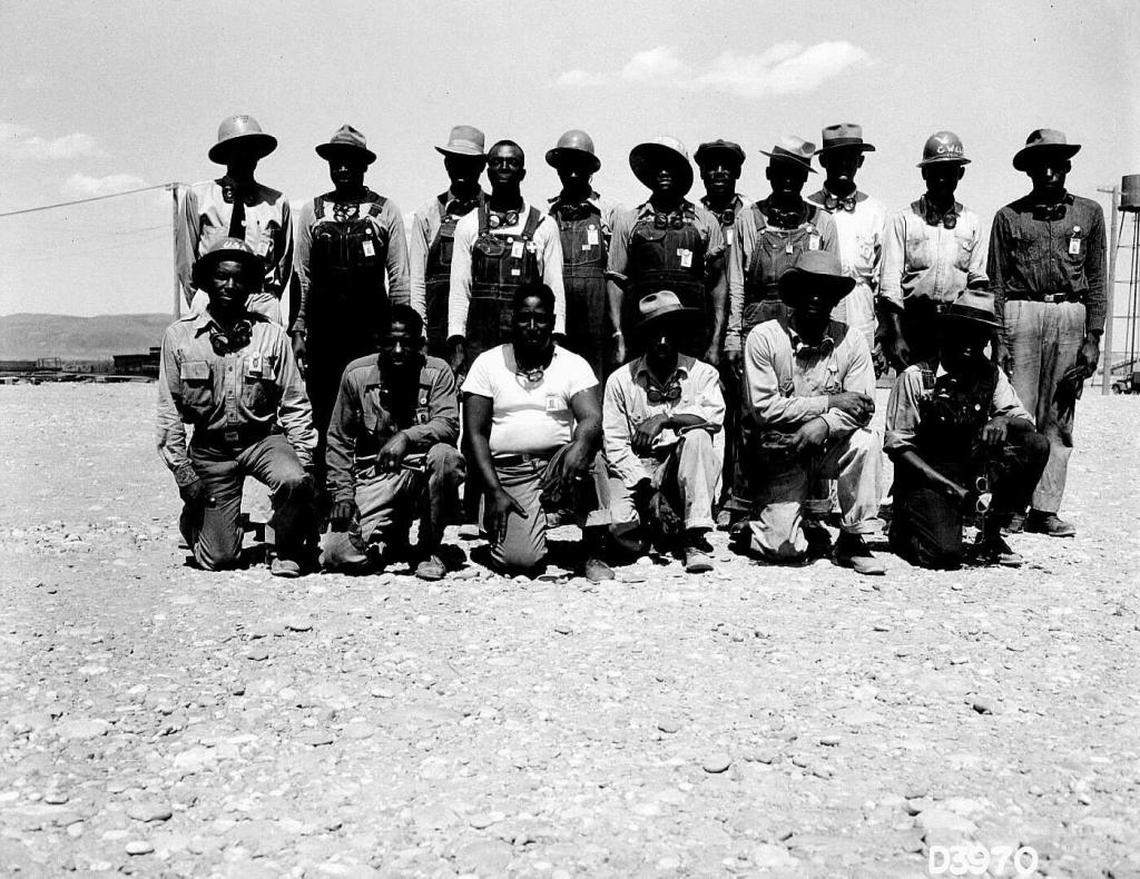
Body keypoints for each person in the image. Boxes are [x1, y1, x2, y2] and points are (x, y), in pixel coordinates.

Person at [157, 238, 315, 576]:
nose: (230, 286)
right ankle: (198, 517)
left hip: (261, 441)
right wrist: (185, 475)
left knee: (293, 480)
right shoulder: (179, 337)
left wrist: (304, 465)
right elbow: (168, 412)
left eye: (239, 278)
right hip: (211, 450)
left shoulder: (272, 336)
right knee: (220, 559)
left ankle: (284, 545)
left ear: (251, 285)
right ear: (206, 281)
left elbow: (294, 403)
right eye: (221, 277)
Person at [987, 129, 1106, 537]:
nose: (1049, 171)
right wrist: (999, 338)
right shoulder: (1009, 217)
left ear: (1068, 166)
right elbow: (997, 282)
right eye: (1041, 164)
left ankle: (1046, 508)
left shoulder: (1089, 215)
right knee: (1017, 415)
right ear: (1030, 171)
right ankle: (1010, 506)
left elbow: (1097, 278)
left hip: (1070, 314)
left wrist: (1094, 337)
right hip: (1022, 312)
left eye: (1057, 162)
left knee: (1060, 416)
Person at [739, 250, 884, 575]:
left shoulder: (853, 341)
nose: (816, 297)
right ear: (794, 293)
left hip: (831, 444)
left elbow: (863, 407)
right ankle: (770, 522)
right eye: (809, 288)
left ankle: (853, 538)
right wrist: (829, 405)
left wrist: (823, 425)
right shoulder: (764, 338)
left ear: (835, 298)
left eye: (826, 290)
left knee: (865, 441)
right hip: (783, 448)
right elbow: (764, 408)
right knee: (782, 550)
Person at [885, 290, 1049, 568]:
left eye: (980, 335)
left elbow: (1026, 423)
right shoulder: (917, 377)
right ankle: (904, 528)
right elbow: (898, 448)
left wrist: (1003, 420)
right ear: (947, 332)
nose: (971, 343)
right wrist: (950, 490)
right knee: (945, 556)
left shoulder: (991, 375)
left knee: (1035, 445)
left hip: (969, 469)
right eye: (964, 332)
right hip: (928, 477)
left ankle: (992, 533)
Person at [462, 282, 612, 580]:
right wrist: (493, 491)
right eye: (524, 318)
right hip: (510, 471)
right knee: (522, 562)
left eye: (540, 318)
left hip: (558, 465)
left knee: (591, 450)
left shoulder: (572, 364)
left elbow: (592, 417)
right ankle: (501, 522)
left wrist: (580, 446)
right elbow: (474, 435)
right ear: (511, 320)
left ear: (552, 322)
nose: (532, 326)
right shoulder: (487, 364)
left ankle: (594, 550)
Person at [724, 136, 839, 527]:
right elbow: (737, 283)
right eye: (782, 172)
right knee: (751, 416)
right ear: (770, 173)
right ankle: (743, 503)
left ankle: (812, 506)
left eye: (797, 174)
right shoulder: (749, 219)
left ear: (806, 178)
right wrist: (733, 337)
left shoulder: (822, 221)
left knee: (807, 405)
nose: (788, 180)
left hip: (806, 328)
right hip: (759, 326)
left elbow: (832, 284)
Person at [321, 306, 465, 580]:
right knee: (337, 554)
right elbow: (338, 439)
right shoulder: (356, 375)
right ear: (378, 343)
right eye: (390, 342)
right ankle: (388, 537)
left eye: (406, 343)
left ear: (420, 344)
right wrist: (343, 494)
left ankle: (429, 548)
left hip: (422, 471)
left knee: (446, 457)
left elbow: (448, 424)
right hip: (377, 477)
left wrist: (406, 437)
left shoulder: (437, 372)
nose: (398, 350)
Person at [601, 292, 725, 573]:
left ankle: (693, 538)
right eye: (654, 335)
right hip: (639, 472)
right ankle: (655, 529)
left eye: (669, 334)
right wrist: (648, 489)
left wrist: (665, 418)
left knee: (698, 436)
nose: (662, 343)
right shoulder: (620, 381)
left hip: (682, 469)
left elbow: (713, 418)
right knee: (618, 528)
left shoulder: (703, 374)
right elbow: (615, 445)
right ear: (642, 337)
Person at [447, 140, 566, 377]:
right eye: (496, 162)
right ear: (487, 171)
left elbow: (555, 286)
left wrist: (556, 336)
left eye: (512, 163)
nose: (504, 167)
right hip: (479, 337)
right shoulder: (468, 224)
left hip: (528, 337)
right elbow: (460, 289)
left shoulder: (544, 225)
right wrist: (457, 339)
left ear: (522, 173)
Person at [606, 136, 726, 366]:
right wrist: (618, 336)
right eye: (657, 167)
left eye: (670, 166)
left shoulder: (706, 221)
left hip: (691, 336)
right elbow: (616, 281)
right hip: (642, 333)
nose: (663, 172)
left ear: (682, 173)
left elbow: (718, 285)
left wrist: (715, 341)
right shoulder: (629, 221)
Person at [880, 131, 987, 369]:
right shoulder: (904, 220)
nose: (942, 179)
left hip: (956, 325)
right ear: (924, 173)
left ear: (960, 173)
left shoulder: (972, 222)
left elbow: (977, 282)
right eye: (936, 171)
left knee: (953, 399)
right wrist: (896, 335)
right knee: (914, 392)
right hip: (915, 323)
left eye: (950, 171)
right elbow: (890, 284)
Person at [176, 115, 293, 324]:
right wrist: (198, 298)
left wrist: (270, 298)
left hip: (260, 300)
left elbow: (283, 263)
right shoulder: (199, 197)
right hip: (212, 298)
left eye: (251, 149)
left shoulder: (276, 203)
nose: (244, 156)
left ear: (258, 155)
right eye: (237, 149)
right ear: (225, 154)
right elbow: (186, 261)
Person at [806, 123, 887, 362]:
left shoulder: (875, 211)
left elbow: (883, 278)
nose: (843, 165)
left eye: (850, 158)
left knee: (858, 383)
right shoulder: (808, 208)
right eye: (835, 158)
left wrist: (882, 330)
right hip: (816, 309)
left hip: (860, 309)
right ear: (823, 162)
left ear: (860, 162)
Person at [409, 125, 488, 358]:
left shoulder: (495, 212)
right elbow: (417, 282)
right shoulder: (428, 213)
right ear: (446, 164)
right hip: (437, 331)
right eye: (455, 161)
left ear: (482, 166)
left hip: (482, 327)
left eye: (469, 162)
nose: (461, 168)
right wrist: (420, 333)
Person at [546, 129, 620, 377]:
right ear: (558, 169)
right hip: (558, 314)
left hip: (597, 319)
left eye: (581, 165)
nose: (574, 172)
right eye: (567, 165)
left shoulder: (609, 213)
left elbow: (616, 275)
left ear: (591, 170)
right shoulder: (546, 215)